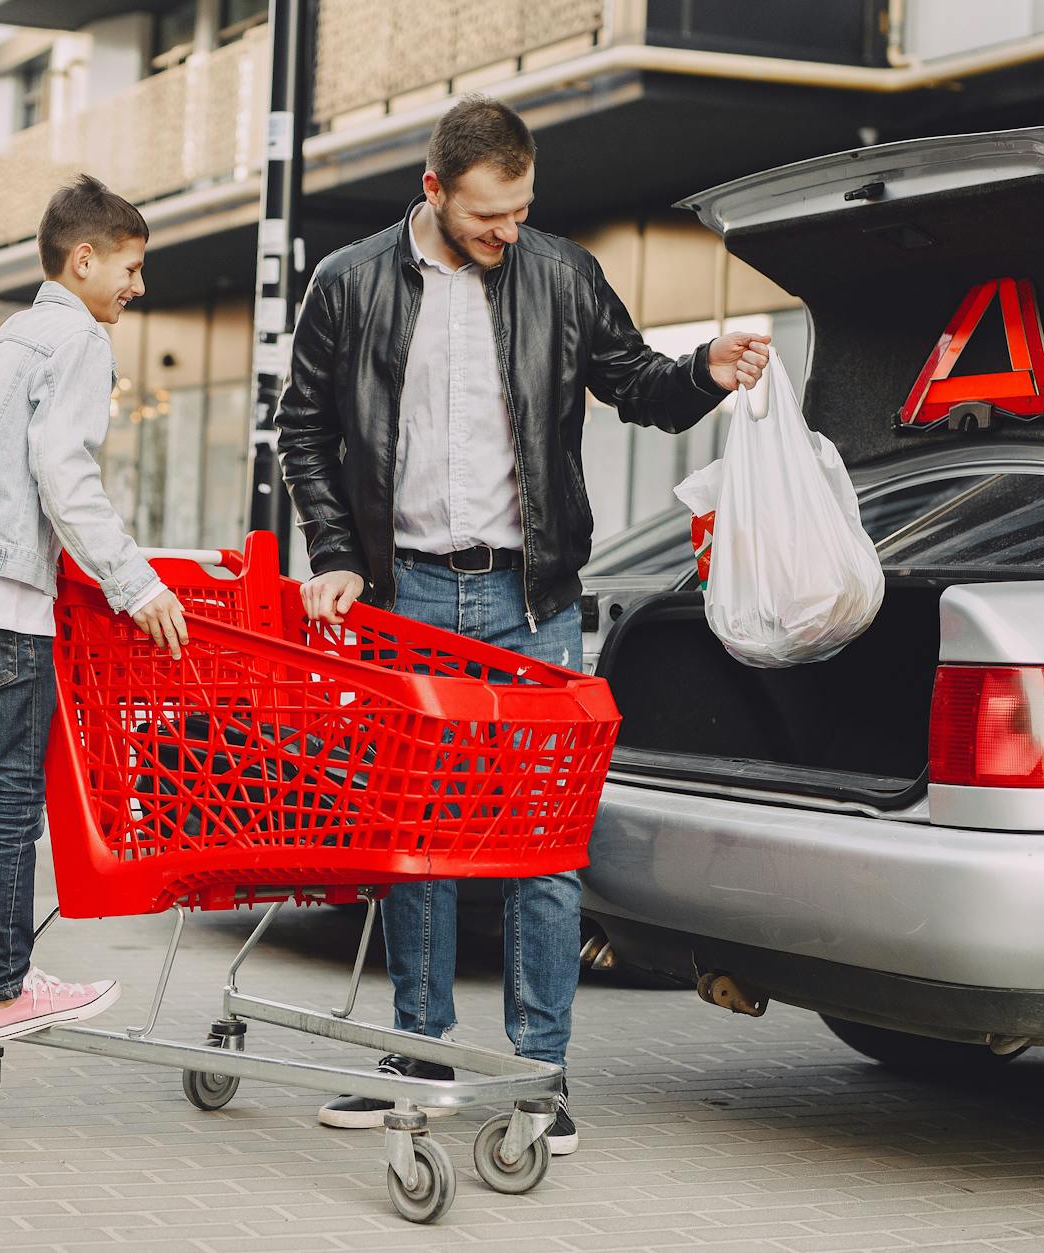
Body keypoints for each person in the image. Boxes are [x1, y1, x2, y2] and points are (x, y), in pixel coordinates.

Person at [275, 94, 769, 1155]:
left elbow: (632, 381)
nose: (508, 232)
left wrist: (703, 374)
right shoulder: (350, 282)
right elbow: (303, 431)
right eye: (489, 215)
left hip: (530, 596)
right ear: (435, 190)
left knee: (542, 848)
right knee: (419, 843)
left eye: (521, 210)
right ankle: (420, 1056)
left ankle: (537, 1075)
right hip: (401, 594)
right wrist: (332, 554)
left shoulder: (560, 272)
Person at [0, 175, 190, 1046]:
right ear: (84, 260)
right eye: (131, 267)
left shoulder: (5, 341)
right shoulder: (80, 342)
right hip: (2, 608)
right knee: (14, 802)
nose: (138, 286)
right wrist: (136, 584)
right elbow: (66, 471)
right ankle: (8, 990)